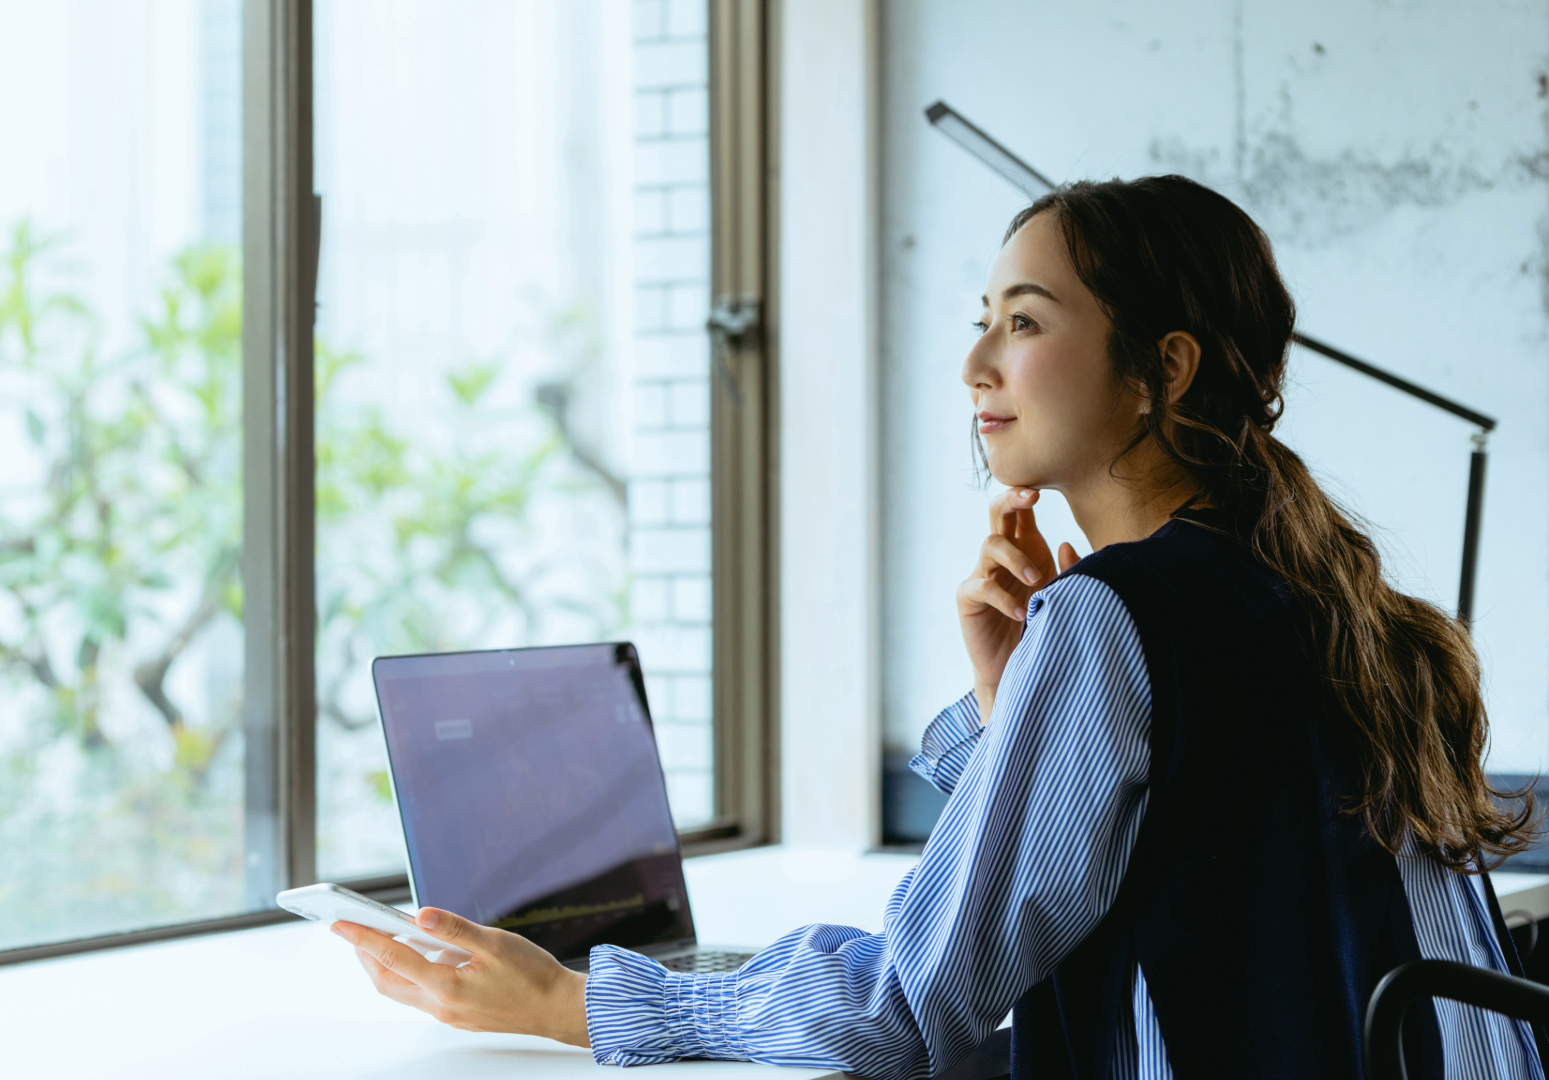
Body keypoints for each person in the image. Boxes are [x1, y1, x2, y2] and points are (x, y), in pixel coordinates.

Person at [328, 176, 1545, 1080]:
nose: (975, 363)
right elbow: (1153, 868)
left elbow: (909, 1008)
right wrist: (1009, 705)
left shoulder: (1116, 617)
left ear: (1160, 369)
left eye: (1023, 322)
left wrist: (575, 1004)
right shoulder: (1347, 610)